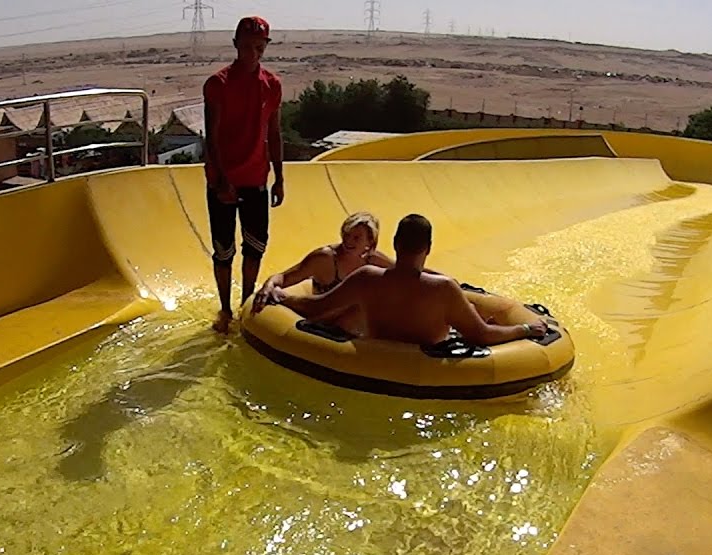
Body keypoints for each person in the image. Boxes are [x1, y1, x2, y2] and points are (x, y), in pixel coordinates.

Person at [263, 214, 547, 346]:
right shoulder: (443, 289)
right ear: (428, 248)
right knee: (470, 320)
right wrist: (523, 328)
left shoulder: (366, 278)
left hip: (378, 359)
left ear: (394, 243)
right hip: (431, 366)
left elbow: (316, 308)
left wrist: (281, 295)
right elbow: (482, 335)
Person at [203, 16, 285, 333]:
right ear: (235, 43)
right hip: (223, 179)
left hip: (256, 178)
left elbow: (275, 133)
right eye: (247, 45)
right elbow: (211, 136)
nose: (253, 52)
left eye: (259, 47)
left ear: (265, 47)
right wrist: (221, 179)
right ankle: (225, 310)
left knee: (255, 247)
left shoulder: (272, 84)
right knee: (224, 250)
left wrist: (280, 176)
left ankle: (246, 304)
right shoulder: (218, 83)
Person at [251, 211, 389, 333]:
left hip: (349, 325)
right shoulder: (325, 258)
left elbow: (405, 276)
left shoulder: (374, 261)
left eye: (356, 237)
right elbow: (283, 277)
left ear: (369, 241)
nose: (348, 241)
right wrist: (268, 286)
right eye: (347, 234)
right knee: (357, 307)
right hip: (319, 317)